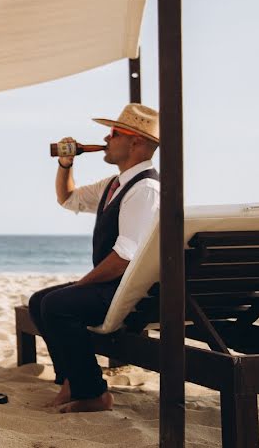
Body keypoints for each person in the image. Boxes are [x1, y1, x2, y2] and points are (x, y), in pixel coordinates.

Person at [29, 103, 160, 414]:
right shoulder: (115, 184)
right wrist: (65, 164)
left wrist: (80, 285)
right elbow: (68, 198)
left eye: (113, 133)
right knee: (39, 301)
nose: (105, 138)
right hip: (115, 284)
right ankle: (75, 380)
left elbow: (124, 257)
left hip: (132, 291)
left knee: (58, 305)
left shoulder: (145, 190)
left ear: (135, 142)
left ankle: (94, 394)